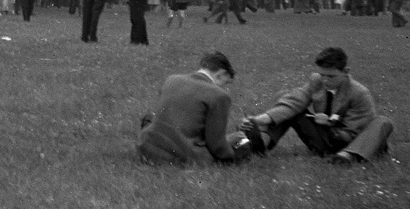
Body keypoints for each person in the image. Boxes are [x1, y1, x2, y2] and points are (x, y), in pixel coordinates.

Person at [240, 47, 393, 164]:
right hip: (321, 139)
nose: (325, 80)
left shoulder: (359, 93)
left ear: (346, 71)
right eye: (322, 74)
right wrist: (260, 119)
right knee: (286, 100)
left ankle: (347, 156)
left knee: (382, 121)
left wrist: (330, 123)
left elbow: (354, 131)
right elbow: (294, 101)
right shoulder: (316, 81)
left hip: (344, 142)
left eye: (331, 76)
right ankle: (260, 145)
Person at [137, 51, 251, 165]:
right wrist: (231, 151)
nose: (223, 88)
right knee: (240, 139)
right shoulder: (219, 95)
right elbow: (217, 145)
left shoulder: (172, 79)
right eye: (225, 83)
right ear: (221, 74)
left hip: (148, 148)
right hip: (183, 154)